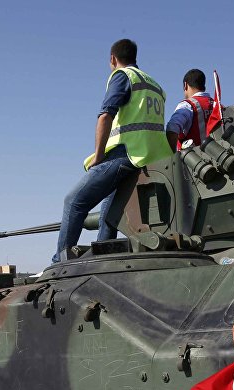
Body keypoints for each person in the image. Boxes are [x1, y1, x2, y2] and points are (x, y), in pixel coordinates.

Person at [53, 39, 173, 263]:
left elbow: (106, 115)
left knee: (74, 201)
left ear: (112, 59)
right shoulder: (156, 86)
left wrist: (98, 155)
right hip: (155, 158)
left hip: (129, 153)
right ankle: (103, 257)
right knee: (110, 213)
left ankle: (59, 264)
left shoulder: (123, 76)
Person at [165, 68, 215, 150]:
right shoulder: (218, 106)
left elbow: (172, 127)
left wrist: (172, 156)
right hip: (219, 159)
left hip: (193, 160)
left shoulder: (187, 105)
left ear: (185, 85)